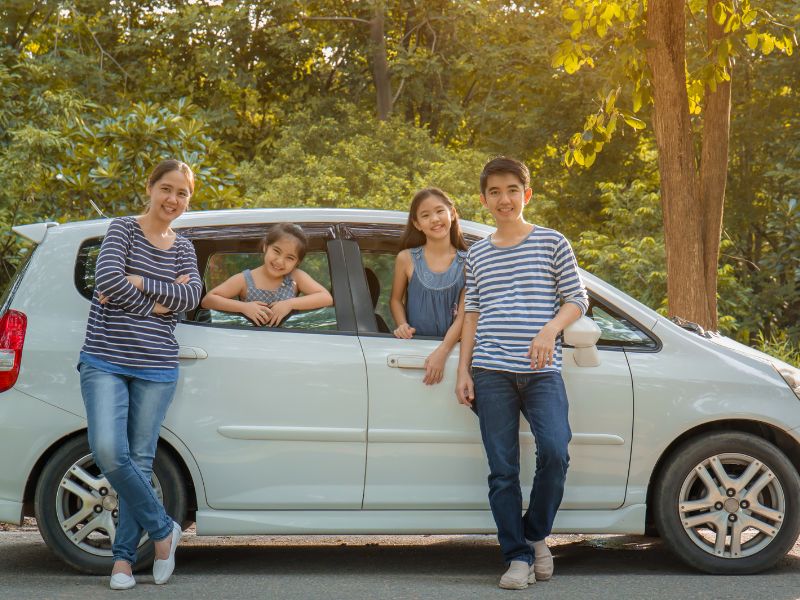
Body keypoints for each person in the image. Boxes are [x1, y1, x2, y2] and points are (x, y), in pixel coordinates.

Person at [455, 157, 588, 590]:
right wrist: (464, 370)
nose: (503, 198)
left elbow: (577, 299)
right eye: (494, 192)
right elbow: (471, 314)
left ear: (526, 195)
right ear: (483, 200)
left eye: (512, 189)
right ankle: (516, 557)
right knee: (503, 470)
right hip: (490, 370)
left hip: (540, 371)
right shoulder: (476, 254)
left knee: (555, 451)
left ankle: (534, 535)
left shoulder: (552, 242)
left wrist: (550, 329)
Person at [78, 159, 203, 589]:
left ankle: (123, 562)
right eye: (166, 189)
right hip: (105, 358)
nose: (173, 199)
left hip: (157, 366)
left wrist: (142, 282)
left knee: (141, 460)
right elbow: (108, 279)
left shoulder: (185, 247)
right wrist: (155, 305)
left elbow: (190, 297)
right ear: (149, 187)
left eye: (182, 193)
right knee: (110, 451)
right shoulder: (123, 229)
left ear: (189, 198)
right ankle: (164, 528)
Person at [389, 188, 468, 385]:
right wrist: (402, 325)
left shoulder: (469, 262)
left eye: (440, 211)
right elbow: (395, 300)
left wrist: (443, 352)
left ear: (452, 212)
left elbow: (465, 316)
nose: (434, 219)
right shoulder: (406, 259)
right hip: (413, 353)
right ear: (417, 224)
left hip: (453, 353)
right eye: (425, 215)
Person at [200, 223, 332, 325]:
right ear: (265, 247)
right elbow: (208, 300)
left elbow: (326, 298)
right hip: (253, 343)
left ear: (297, 262)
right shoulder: (245, 280)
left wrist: (289, 304)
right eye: (276, 251)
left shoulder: (296, 276)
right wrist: (244, 307)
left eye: (290, 258)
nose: (280, 261)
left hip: (290, 342)